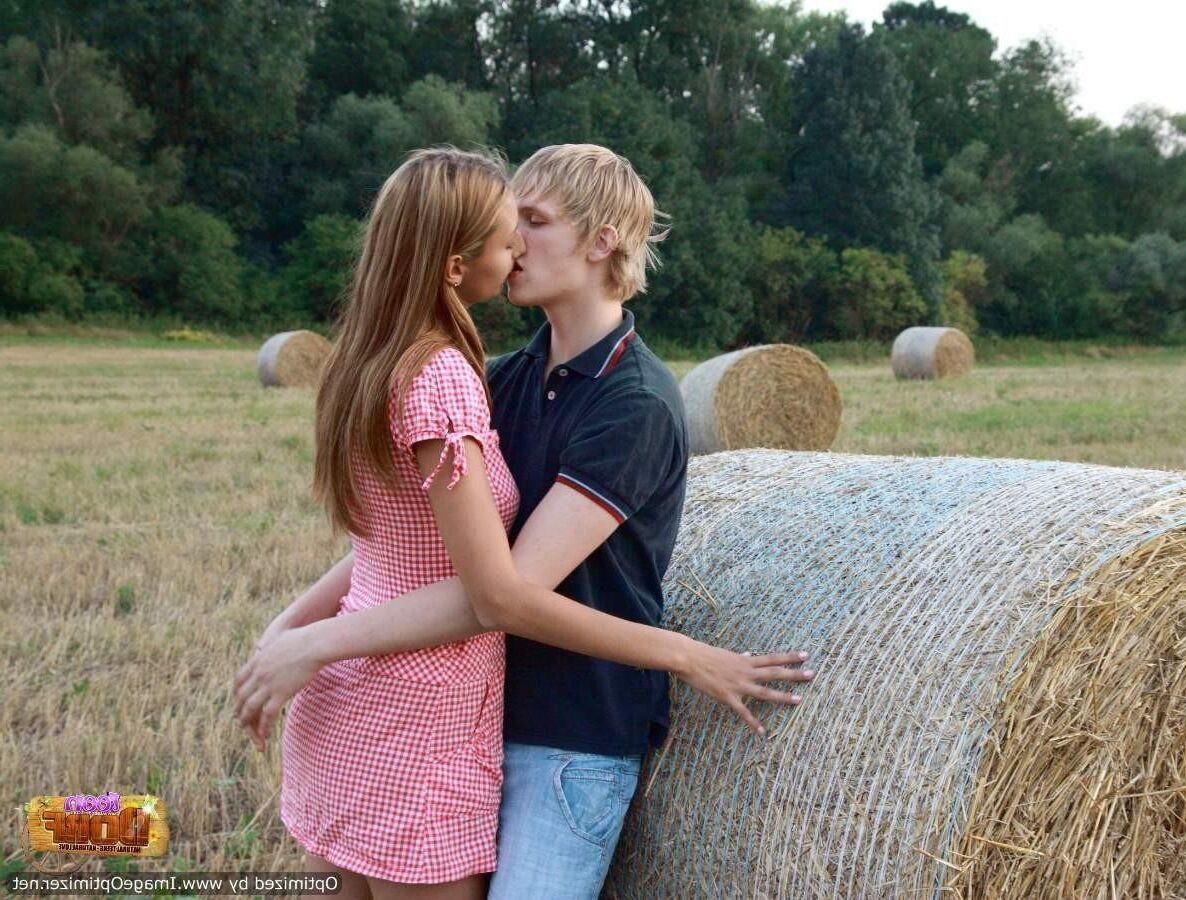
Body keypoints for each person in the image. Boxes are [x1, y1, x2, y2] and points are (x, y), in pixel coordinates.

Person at [233, 145, 813, 900]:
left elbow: (503, 591)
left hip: (564, 737)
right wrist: (288, 630)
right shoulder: (498, 377)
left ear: (602, 240)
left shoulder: (631, 403)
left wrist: (685, 655)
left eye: (532, 222)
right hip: (462, 714)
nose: (510, 244)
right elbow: (412, 547)